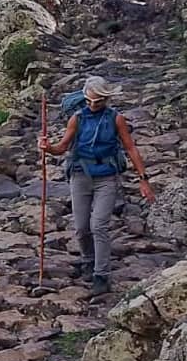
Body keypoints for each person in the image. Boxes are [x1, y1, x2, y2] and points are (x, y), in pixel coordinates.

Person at [37, 75, 155, 294]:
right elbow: (63, 147)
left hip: (107, 177)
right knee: (82, 228)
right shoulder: (77, 118)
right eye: (89, 101)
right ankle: (88, 261)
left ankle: (101, 275)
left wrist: (143, 179)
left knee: (98, 225)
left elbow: (130, 148)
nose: (93, 105)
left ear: (106, 99)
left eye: (98, 102)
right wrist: (47, 147)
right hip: (80, 175)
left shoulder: (115, 119)